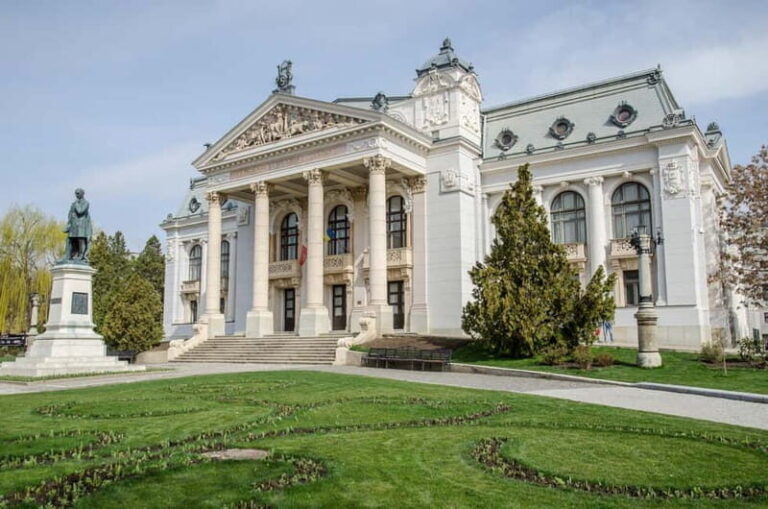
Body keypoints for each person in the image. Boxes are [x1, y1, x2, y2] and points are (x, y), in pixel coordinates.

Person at [62, 188, 93, 263]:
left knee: (80, 240)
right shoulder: (74, 203)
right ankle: (68, 255)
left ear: (82, 194)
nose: (76, 195)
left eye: (78, 193)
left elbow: (80, 211)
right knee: (70, 240)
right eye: (76, 193)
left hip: (81, 225)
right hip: (73, 225)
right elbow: (70, 214)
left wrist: (75, 205)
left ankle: (81, 256)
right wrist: (68, 224)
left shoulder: (86, 203)